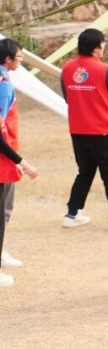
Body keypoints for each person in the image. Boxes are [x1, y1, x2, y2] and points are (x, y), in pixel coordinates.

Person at [60, 28, 108, 232]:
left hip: (78, 130)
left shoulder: (67, 69)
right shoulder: (105, 69)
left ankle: (71, 213)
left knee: (84, 172)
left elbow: (67, 97)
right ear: (97, 47)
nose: (104, 47)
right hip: (103, 130)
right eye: (103, 43)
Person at [0, 38, 39, 288]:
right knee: (3, 210)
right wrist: (20, 161)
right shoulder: (4, 86)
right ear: (8, 59)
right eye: (20, 56)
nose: (22, 60)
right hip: (4, 158)